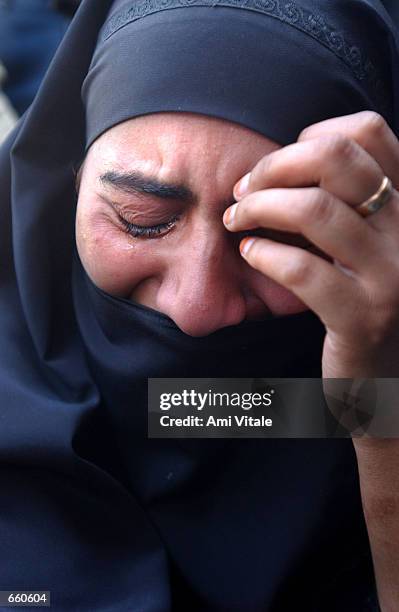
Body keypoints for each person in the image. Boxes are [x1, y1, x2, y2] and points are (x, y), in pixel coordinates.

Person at [0, 0, 399, 610]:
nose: (198, 308)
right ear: (72, 180)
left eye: (280, 236)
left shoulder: (371, 360)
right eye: (143, 220)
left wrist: (378, 409)